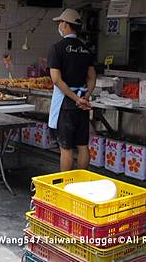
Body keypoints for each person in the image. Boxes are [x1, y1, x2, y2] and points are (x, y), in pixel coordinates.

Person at [47, 9, 97, 172]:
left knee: (66, 148)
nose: (59, 26)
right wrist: (85, 97)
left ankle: (66, 187)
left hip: (66, 103)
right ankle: (81, 182)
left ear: (66, 25)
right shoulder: (86, 49)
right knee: (83, 145)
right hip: (82, 103)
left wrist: (75, 98)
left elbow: (56, 80)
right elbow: (92, 77)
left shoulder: (57, 48)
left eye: (61, 23)